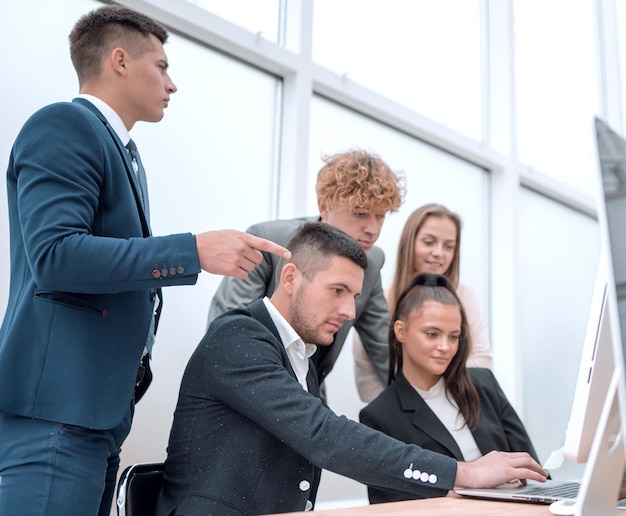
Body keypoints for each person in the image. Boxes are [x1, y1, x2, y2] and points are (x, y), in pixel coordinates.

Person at [0, 6, 289, 516]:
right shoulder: (64, 124)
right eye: (161, 66)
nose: (171, 84)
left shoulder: (125, 153)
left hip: (96, 418)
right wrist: (192, 250)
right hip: (56, 415)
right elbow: (55, 255)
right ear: (119, 60)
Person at [156, 222, 547, 516]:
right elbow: (324, 435)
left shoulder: (299, 355)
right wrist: (462, 473)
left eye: (355, 296)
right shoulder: (238, 337)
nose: (349, 312)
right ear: (290, 277)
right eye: (338, 290)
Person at [208, 149, 405, 389]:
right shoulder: (268, 240)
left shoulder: (372, 262)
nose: (373, 229)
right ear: (324, 206)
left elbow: (384, 349)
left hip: (311, 390)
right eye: (360, 213)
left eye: (381, 216)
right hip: (249, 384)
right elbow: (225, 331)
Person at [359, 272, 542, 504]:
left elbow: (533, 470)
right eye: (432, 334)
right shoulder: (379, 416)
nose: (445, 347)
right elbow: (389, 506)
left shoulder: (484, 384)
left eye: (454, 336)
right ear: (400, 331)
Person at [353, 203, 492, 402]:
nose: (438, 253)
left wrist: (436, 399)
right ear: (410, 243)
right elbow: (367, 381)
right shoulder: (380, 301)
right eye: (429, 242)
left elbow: (481, 361)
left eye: (449, 246)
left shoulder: (465, 296)